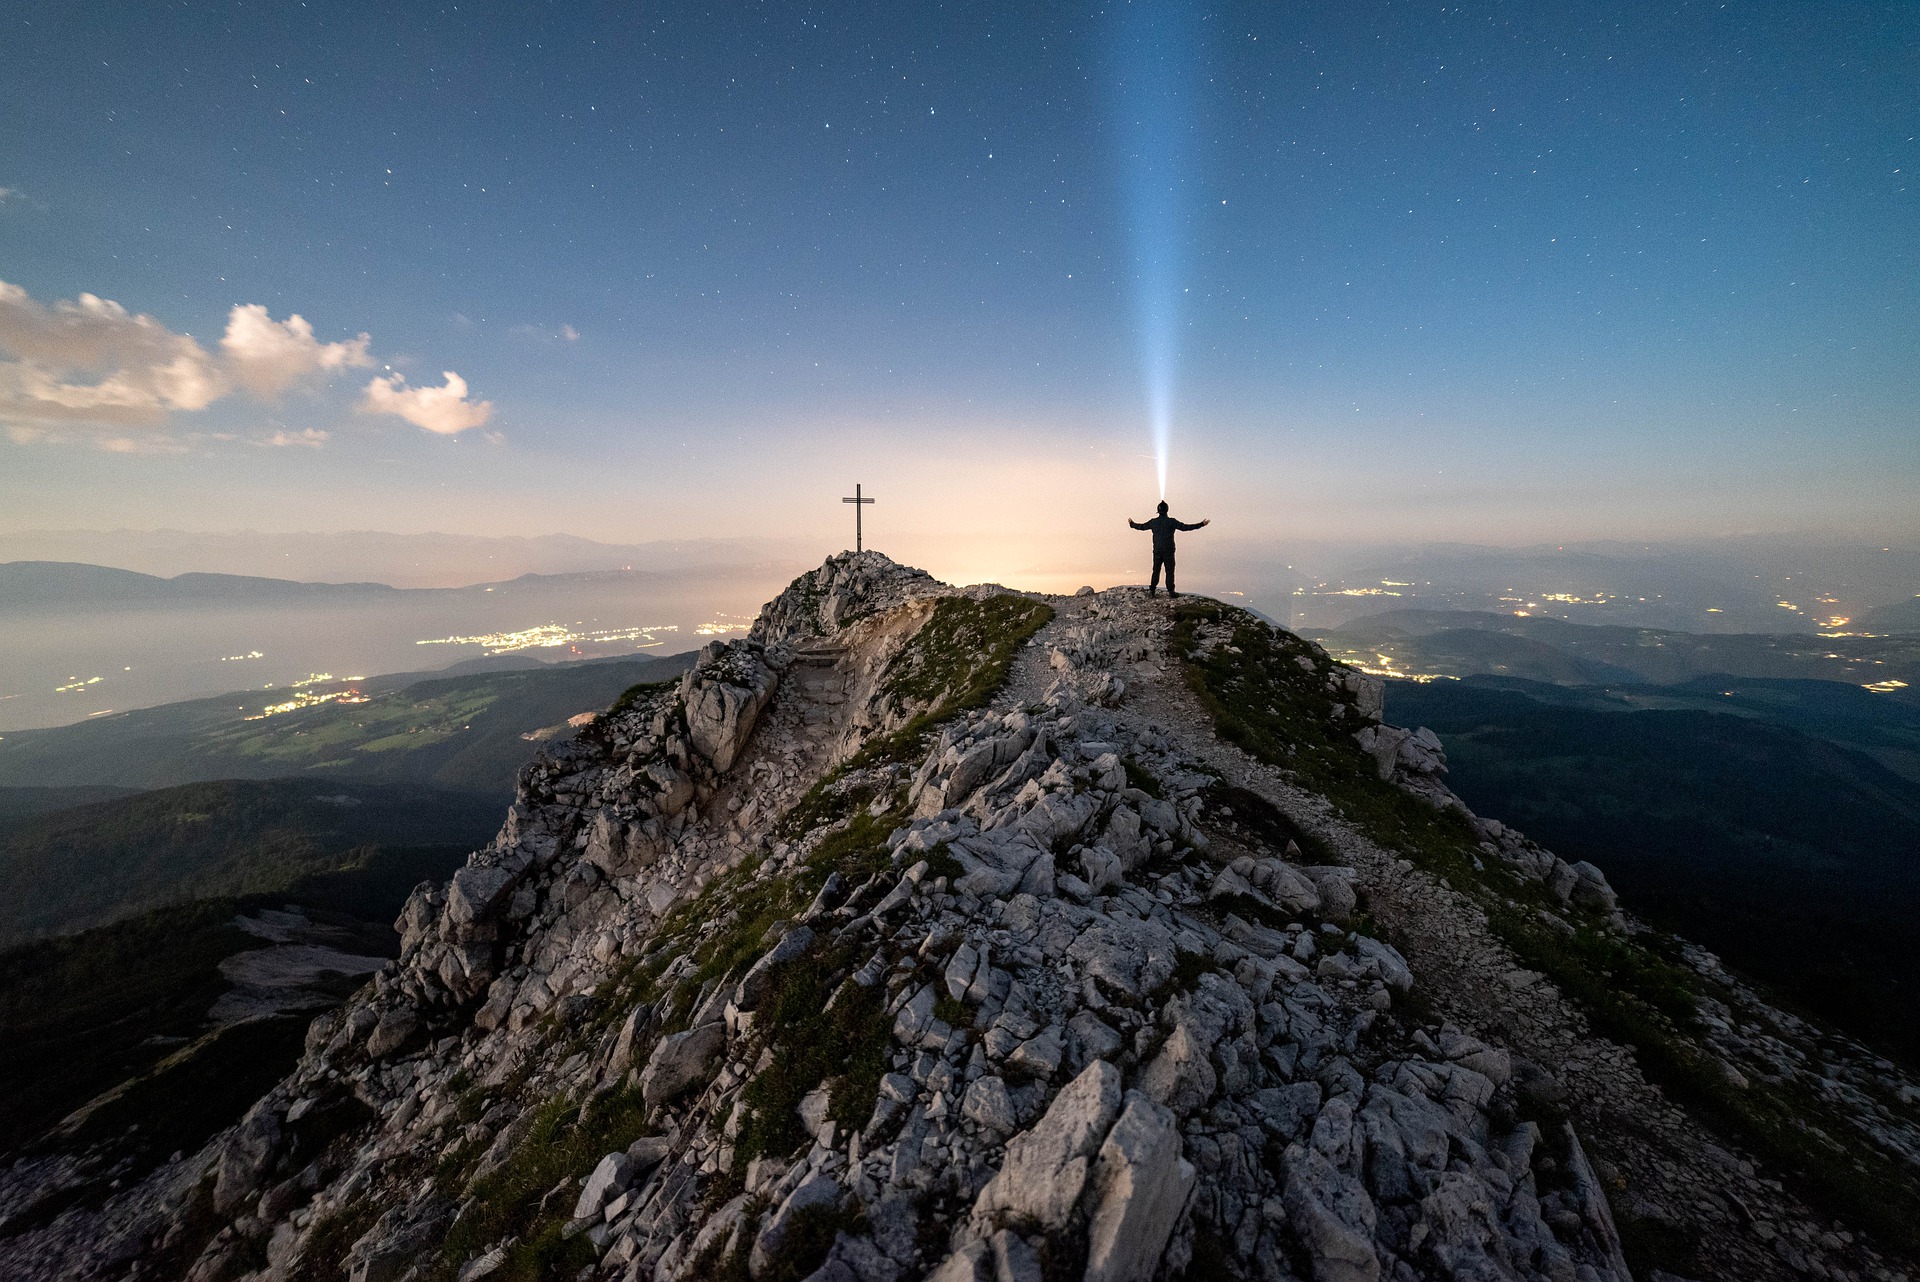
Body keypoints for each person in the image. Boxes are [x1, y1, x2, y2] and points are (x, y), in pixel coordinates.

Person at [1128, 501, 1209, 597]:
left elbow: (1141, 527)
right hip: (1169, 551)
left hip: (1157, 551)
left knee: (1156, 570)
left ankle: (1152, 590)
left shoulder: (1153, 522)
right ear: (1167, 510)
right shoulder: (1172, 522)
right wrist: (1201, 524)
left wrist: (1132, 524)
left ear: (1158, 511)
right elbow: (1185, 527)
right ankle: (1171, 591)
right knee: (1169, 571)